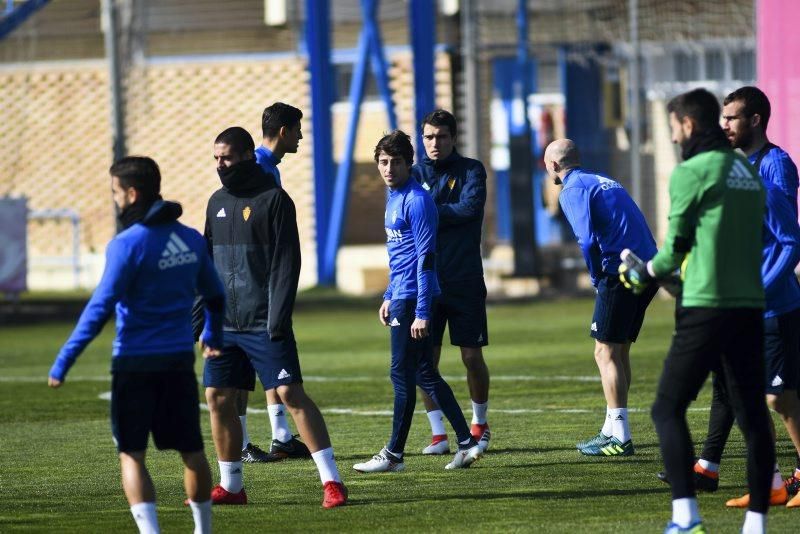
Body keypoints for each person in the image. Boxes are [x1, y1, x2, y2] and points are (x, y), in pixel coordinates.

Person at [619, 88, 775, 534]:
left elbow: (674, 251)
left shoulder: (691, 171)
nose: (672, 136)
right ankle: (756, 524)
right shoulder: (746, 170)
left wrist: (642, 273)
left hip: (706, 304)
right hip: (749, 305)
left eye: (672, 128)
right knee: (752, 415)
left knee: (667, 408)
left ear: (687, 125)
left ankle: (686, 517)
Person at [48, 156, 225, 534]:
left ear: (131, 193)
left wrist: (63, 361)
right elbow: (215, 295)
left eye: (115, 192)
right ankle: (204, 530)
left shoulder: (125, 245)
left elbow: (99, 308)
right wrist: (213, 334)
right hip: (178, 362)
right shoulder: (190, 239)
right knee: (192, 451)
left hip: (133, 363)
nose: (114, 200)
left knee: (131, 454)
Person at [662, 86, 800, 509]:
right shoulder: (738, 167)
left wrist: (761, 286)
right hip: (741, 304)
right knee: (747, 394)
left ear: (755, 120)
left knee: (779, 397)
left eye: (733, 118)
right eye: (721, 118)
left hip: (773, 303)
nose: (724, 126)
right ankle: (770, 483)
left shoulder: (774, 165)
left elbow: (787, 239)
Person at [201, 126, 347, 508]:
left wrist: (278, 318)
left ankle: (331, 482)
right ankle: (232, 486)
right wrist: (201, 321)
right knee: (218, 398)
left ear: (248, 155)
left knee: (290, 394)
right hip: (225, 325)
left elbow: (287, 264)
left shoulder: (275, 200)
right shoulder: (216, 201)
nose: (220, 165)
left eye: (227, 158)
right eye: (216, 158)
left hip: (265, 321)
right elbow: (206, 266)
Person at [352, 130, 483, 473]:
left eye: (396, 162)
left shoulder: (417, 200)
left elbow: (425, 258)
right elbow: (399, 255)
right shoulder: (392, 195)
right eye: (383, 162)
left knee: (401, 373)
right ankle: (467, 443)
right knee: (425, 372)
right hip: (402, 296)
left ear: (410, 164)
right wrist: (388, 294)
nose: (388, 168)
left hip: (416, 299)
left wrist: (421, 312)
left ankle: (393, 454)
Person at [542, 139, 658, 457]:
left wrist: (595, 277)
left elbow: (587, 240)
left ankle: (620, 436)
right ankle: (611, 428)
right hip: (647, 269)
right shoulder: (603, 180)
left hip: (619, 272)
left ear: (552, 165)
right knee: (618, 352)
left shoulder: (571, 189)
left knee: (605, 353)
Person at [231, 102, 310, 463]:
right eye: (297, 130)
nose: (300, 136)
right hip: (249, 288)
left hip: (262, 287)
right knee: (241, 372)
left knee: (266, 363)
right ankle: (242, 444)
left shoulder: (269, 169)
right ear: (283, 132)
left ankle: (280, 436)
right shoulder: (259, 170)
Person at [411, 109, 492, 455]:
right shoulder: (412, 174)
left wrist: (426, 211)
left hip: (465, 280)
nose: (434, 143)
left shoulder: (471, 170)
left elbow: (469, 210)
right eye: (428, 137)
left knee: (472, 357)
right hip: (427, 283)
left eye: (441, 137)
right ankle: (438, 434)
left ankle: (480, 424)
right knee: (425, 362)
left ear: (453, 138)